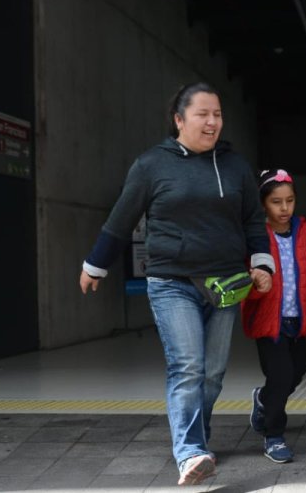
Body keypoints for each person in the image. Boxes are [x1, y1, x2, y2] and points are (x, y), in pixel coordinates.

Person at [78, 82, 274, 486]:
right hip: (172, 282)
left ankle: (198, 441)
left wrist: (262, 264)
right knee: (187, 366)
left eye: (217, 114)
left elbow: (254, 221)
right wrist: (95, 265)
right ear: (179, 119)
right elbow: (121, 219)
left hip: (226, 283)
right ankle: (189, 452)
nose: (212, 122)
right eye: (203, 114)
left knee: (213, 373)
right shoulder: (152, 165)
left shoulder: (235, 165)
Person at [242, 169, 306, 464]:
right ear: (263, 204)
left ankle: (263, 399)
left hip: (298, 320)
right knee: (281, 376)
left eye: (290, 200)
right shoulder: (255, 235)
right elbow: (244, 282)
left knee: (297, 372)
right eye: (276, 202)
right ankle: (274, 436)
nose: (284, 208)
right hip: (268, 321)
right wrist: (255, 284)